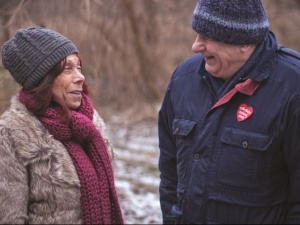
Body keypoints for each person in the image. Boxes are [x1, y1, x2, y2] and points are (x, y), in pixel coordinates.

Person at [158, 0, 300, 224]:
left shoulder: (293, 88)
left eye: (206, 37)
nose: (195, 46)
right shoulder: (183, 79)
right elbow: (169, 177)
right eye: (197, 34)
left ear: (243, 41)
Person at [0, 27, 124, 224]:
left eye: (79, 67)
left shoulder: (89, 122)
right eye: (67, 69)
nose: (80, 77)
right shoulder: (11, 133)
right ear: (42, 79)